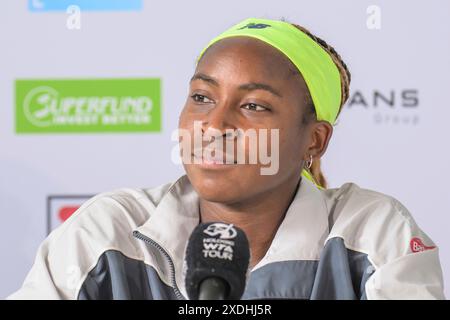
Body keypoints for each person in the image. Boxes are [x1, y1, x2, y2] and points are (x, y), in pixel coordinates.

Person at [8, 17, 445, 300]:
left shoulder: (372, 233)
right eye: (201, 97)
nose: (214, 126)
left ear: (313, 140)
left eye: (254, 105)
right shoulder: (110, 231)